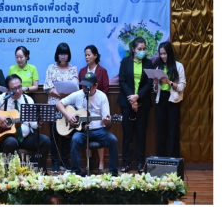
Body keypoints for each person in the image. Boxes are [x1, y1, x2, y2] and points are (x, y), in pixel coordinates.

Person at [0, 74, 50, 172]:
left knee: (45, 140)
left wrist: (40, 122)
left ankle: (39, 171)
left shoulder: (28, 100)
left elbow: (33, 124)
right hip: (8, 136)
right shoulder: (2, 99)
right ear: (8, 90)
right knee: (11, 142)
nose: (18, 91)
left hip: (25, 137)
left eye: (19, 87)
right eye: (14, 89)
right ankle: (8, 173)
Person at [56, 72, 120, 176]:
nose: (85, 88)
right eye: (84, 85)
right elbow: (59, 104)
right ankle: (75, 174)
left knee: (113, 140)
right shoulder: (78, 94)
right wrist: (68, 116)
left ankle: (113, 174)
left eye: (88, 86)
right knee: (75, 140)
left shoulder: (102, 97)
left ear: (96, 86)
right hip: (82, 131)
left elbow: (106, 120)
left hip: (99, 130)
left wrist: (106, 121)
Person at [117, 37, 154, 173]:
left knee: (140, 134)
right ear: (133, 49)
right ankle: (126, 163)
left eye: (144, 49)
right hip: (127, 103)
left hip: (143, 103)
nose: (142, 51)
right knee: (127, 134)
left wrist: (138, 97)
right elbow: (122, 81)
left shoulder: (149, 63)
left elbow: (149, 83)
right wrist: (132, 100)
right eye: (139, 49)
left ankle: (140, 163)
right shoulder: (125, 62)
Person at [44, 43, 79, 173]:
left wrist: (67, 94)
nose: (63, 57)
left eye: (65, 54)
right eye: (60, 54)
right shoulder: (51, 68)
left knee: (67, 134)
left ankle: (65, 161)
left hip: (69, 106)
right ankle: (54, 162)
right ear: (57, 54)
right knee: (54, 135)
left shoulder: (73, 69)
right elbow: (47, 86)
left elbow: (76, 87)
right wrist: (59, 94)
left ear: (68, 55)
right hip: (54, 104)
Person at [79, 45, 110, 172]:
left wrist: (97, 100)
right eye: (85, 55)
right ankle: (88, 162)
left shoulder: (102, 71)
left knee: (100, 129)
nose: (87, 57)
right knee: (86, 130)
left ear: (96, 55)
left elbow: (106, 88)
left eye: (89, 54)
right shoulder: (82, 71)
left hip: (99, 107)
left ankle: (101, 162)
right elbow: (80, 89)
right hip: (84, 107)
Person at [153, 42, 186, 157]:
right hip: (161, 100)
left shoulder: (178, 66)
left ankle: (173, 159)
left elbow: (182, 87)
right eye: (161, 54)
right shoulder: (159, 67)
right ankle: (161, 158)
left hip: (173, 101)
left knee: (173, 131)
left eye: (165, 54)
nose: (163, 56)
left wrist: (170, 83)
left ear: (170, 53)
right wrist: (156, 84)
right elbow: (156, 90)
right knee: (161, 131)